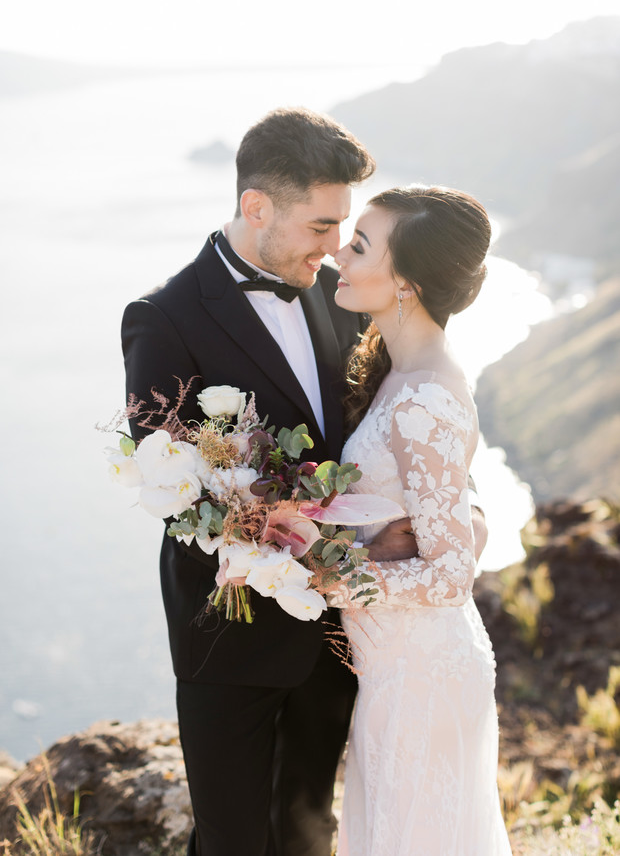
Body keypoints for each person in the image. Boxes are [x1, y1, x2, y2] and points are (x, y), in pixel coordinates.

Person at [122, 109, 487, 856]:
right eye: (322, 226)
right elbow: (174, 492)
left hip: (340, 642)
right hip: (232, 641)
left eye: (347, 231)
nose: (334, 250)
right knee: (230, 842)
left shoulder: (343, 293)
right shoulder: (164, 319)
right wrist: (298, 552)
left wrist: (463, 516)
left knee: (309, 831)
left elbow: (417, 426)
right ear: (257, 208)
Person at [331, 185, 512, 855]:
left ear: (404, 281)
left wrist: (337, 577)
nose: (339, 260)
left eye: (358, 246)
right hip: (397, 670)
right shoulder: (405, 373)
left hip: (421, 676)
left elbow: (450, 572)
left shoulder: (425, 394)